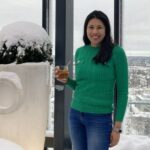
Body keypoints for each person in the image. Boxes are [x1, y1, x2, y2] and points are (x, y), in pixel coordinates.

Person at [55, 10, 128, 150]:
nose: (95, 31)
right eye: (91, 27)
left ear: (106, 29)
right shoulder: (80, 52)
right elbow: (81, 86)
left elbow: (123, 92)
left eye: (99, 27)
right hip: (75, 114)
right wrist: (67, 81)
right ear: (86, 29)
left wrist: (117, 127)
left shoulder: (116, 53)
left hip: (99, 119)